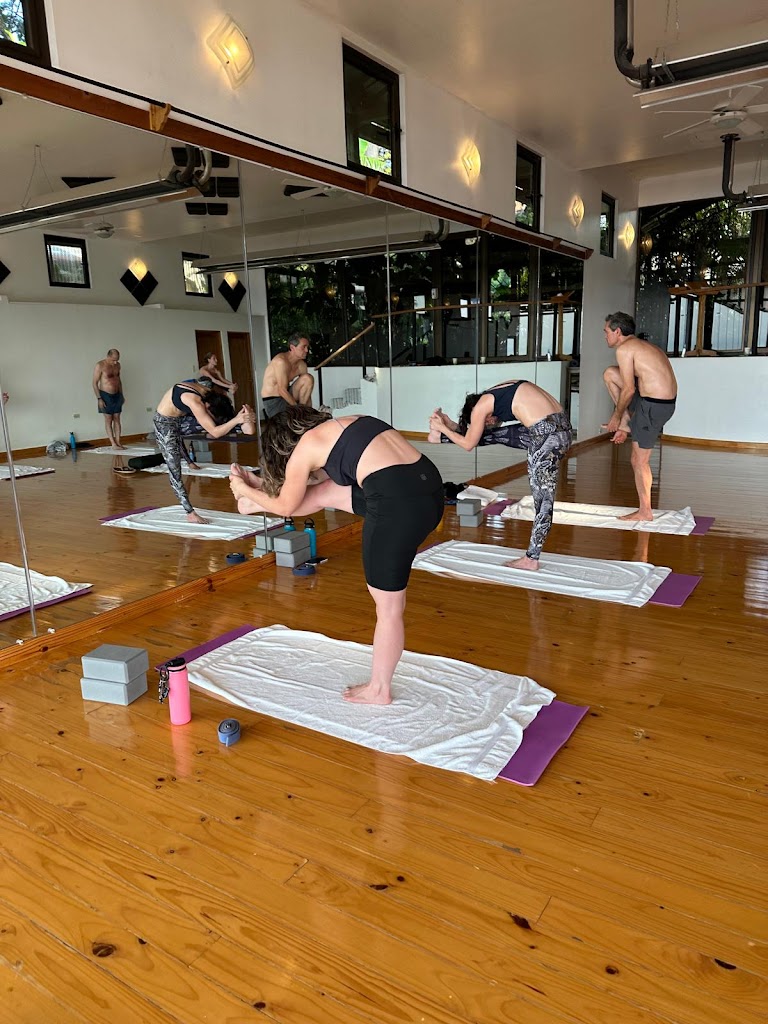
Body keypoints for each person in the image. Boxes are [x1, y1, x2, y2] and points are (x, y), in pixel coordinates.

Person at [229, 408, 444, 705]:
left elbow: (287, 506)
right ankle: (257, 502)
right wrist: (257, 487)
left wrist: (242, 487)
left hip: (398, 506)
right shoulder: (349, 423)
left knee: (389, 608)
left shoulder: (305, 447)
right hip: (430, 492)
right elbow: (314, 486)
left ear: (282, 446)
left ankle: (379, 690)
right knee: (327, 492)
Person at [428, 380, 572, 571]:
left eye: (484, 422)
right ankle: (439, 437)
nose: (488, 423)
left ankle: (531, 558)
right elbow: (476, 435)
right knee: (496, 434)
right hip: (561, 429)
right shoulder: (498, 392)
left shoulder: (481, 407)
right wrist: (450, 426)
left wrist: (443, 428)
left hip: (546, 438)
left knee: (543, 500)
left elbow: (469, 444)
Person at [602, 311, 678, 522]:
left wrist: (616, 417)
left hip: (654, 406)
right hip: (655, 402)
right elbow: (632, 383)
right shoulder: (643, 346)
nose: (605, 336)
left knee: (639, 460)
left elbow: (628, 390)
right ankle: (627, 423)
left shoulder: (625, 349)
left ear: (617, 331)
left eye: (606, 331)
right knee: (610, 374)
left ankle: (645, 511)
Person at [154, 377, 256, 524]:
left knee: (224, 424)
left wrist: (241, 418)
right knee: (174, 469)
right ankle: (190, 513)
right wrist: (235, 421)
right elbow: (214, 432)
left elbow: (218, 422)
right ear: (207, 407)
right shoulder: (195, 402)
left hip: (184, 419)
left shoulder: (209, 394)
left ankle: (244, 422)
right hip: (165, 424)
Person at [261, 334, 314, 418]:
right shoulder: (280, 362)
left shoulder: (301, 365)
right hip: (274, 401)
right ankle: (301, 413)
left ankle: (304, 414)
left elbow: (307, 391)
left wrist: (310, 411)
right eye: (303, 347)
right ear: (292, 348)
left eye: (307, 347)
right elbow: (281, 390)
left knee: (308, 378)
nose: (307, 350)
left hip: (288, 397)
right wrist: (298, 410)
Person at [93, 349, 125, 449]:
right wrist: (99, 398)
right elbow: (94, 383)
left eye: (117, 360)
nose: (115, 362)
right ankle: (113, 444)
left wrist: (122, 395)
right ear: (108, 356)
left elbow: (119, 380)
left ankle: (118, 442)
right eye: (113, 360)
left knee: (117, 418)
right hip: (105, 395)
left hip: (117, 394)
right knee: (108, 419)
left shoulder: (118, 365)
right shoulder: (100, 365)